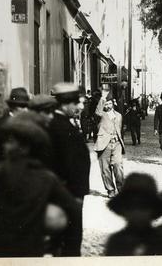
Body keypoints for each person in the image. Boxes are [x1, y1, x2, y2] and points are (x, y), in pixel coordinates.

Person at [0, 115, 81, 257]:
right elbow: (74, 208)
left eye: (10, 142)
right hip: (31, 248)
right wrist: (67, 248)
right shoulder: (47, 177)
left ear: (24, 147)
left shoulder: (3, 169)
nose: (4, 145)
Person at [48, 82, 90, 256]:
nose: (80, 106)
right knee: (70, 241)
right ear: (65, 103)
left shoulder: (61, 124)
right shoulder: (61, 128)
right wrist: (76, 196)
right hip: (68, 195)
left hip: (68, 194)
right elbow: (67, 165)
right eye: (76, 103)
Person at [104, 173, 162, 256]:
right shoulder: (117, 241)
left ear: (153, 209)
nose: (137, 213)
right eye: (131, 207)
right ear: (124, 209)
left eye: (143, 207)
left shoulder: (161, 241)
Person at [0, 87, 30, 163]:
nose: (25, 110)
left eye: (26, 106)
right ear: (13, 106)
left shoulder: (22, 121)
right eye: (22, 106)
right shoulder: (4, 124)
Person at [94, 99, 125, 197]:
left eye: (110, 103)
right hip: (104, 145)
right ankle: (110, 190)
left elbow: (120, 129)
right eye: (106, 104)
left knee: (118, 165)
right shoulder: (101, 114)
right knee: (105, 169)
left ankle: (121, 189)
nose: (108, 105)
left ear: (113, 104)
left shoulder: (119, 115)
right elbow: (97, 111)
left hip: (116, 144)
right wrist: (102, 98)